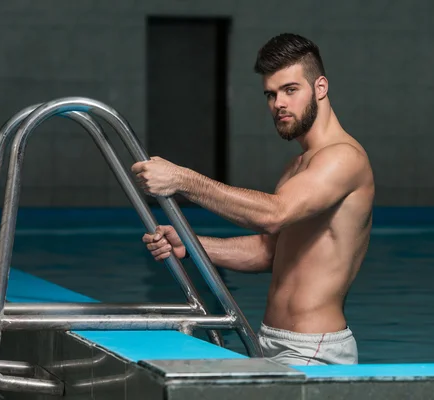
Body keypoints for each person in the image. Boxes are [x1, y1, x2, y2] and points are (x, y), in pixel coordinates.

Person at [131, 33, 375, 366]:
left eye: (290, 90)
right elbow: (267, 251)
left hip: (314, 349)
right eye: (271, 95)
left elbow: (275, 213)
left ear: (320, 87)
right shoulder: (299, 165)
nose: (279, 104)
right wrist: (190, 245)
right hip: (272, 341)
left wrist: (183, 179)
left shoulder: (343, 158)